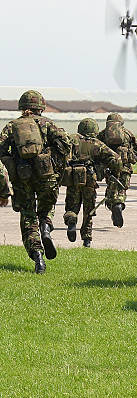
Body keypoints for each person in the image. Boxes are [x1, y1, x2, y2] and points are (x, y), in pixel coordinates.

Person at [0, 90, 71, 273]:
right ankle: (46, 228)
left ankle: (37, 256)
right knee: (47, 208)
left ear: (22, 107)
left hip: (22, 178)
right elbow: (66, 144)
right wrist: (54, 164)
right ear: (41, 106)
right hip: (46, 175)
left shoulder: (12, 126)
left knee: (28, 215)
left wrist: (12, 166)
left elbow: (1, 151)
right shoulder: (48, 124)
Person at [63, 118, 122, 247]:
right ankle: (87, 238)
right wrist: (109, 169)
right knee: (89, 210)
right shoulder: (97, 144)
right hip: (89, 179)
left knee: (71, 206)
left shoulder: (70, 140)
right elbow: (116, 160)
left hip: (72, 178)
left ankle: (71, 220)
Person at [98, 112, 137, 228]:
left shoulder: (103, 134)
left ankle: (114, 206)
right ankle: (119, 204)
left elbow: (96, 149)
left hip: (110, 168)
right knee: (122, 189)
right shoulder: (128, 134)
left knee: (111, 189)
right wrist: (130, 157)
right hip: (125, 167)